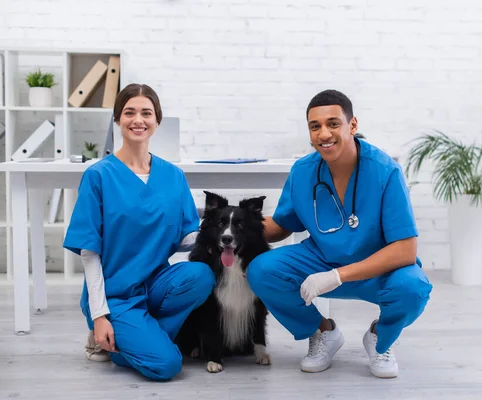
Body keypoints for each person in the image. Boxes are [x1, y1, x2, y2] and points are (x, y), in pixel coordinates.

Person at [247, 89, 433, 379]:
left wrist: (337, 277)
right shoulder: (303, 171)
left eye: (333, 123)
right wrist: (233, 228)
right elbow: (283, 224)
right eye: (315, 126)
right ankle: (323, 332)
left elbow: (405, 250)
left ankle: (379, 337)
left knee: (414, 289)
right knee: (261, 269)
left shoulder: (385, 171)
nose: (324, 134)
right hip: (320, 261)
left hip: (375, 270)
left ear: (353, 126)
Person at [63, 83, 215, 381]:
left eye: (146, 113)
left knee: (200, 275)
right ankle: (112, 337)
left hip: (155, 282)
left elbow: (185, 238)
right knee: (167, 365)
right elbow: (89, 251)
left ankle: (140, 335)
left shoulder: (173, 176)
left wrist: (219, 230)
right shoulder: (99, 176)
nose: (138, 120)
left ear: (157, 121)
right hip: (114, 292)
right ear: (118, 120)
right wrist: (99, 315)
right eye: (129, 112)